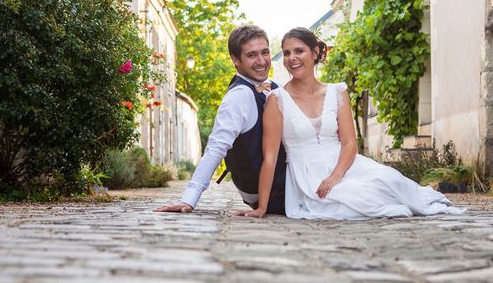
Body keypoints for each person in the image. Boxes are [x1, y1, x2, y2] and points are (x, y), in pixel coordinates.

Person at [236, 27, 466, 219]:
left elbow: (349, 143)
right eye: (286, 53)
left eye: (299, 51)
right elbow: (270, 156)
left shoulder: (338, 92)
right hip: (308, 175)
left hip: (345, 165)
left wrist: (335, 176)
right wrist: (261, 208)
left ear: (315, 52)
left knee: (390, 179)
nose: (291, 58)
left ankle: (418, 200)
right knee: (362, 199)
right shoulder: (277, 100)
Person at [156, 25, 287, 214]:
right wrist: (189, 199)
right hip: (274, 194)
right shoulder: (238, 97)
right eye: (251, 55)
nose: (261, 61)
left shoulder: (277, 87)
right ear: (236, 60)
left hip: (285, 184)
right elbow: (216, 147)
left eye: (265, 52)